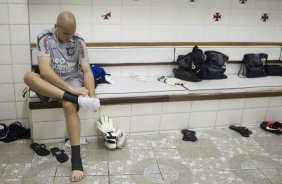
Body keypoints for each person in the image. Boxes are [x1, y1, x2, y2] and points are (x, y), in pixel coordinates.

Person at [24, 11, 99, 182]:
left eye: (72, 33)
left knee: (68, 106)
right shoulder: (45, 38)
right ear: (56, 26)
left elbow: (86, 70)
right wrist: (71, 92)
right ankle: (74, 98)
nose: (69, 37)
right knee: (29, 77)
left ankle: (76, 160)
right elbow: (45, 71)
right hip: (52, 83)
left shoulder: (79, 41)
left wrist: (93, 97)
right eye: (65, 33)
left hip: (72, 79)